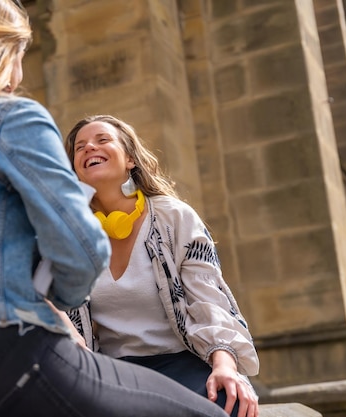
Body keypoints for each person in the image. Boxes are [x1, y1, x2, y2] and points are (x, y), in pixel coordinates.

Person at [0, 1, 232, 416]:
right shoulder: (12, 117)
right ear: (8, 53)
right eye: (20, 55)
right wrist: (61, 297)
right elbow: (82, 249)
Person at [64, 115, 261, 417]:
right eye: (80, 147)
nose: (89, 147)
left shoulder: (174, 218)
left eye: (102, 140)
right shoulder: (68, 235)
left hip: (181, 362)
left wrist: (225, 365)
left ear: (130, 159)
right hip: (111, 373)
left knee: (226, 406)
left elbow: (209, 299)